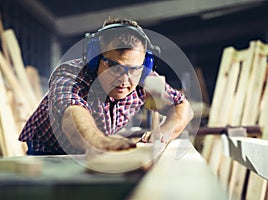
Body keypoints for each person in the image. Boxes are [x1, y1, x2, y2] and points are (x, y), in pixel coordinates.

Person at [18, 16, 194, 155]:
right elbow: (71, 114)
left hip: (95, 150)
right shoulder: (71, 74)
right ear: (95, 59)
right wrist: (99, 141)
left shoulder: (144, 77)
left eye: (133, 69)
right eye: (114, 67)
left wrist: (162, 134)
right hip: (49, 153)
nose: (124, 79)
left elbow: (182, 106)